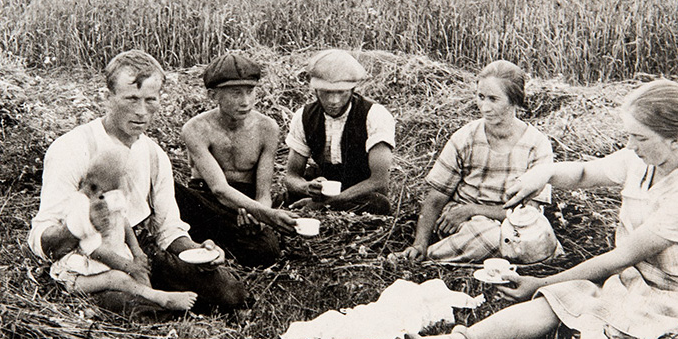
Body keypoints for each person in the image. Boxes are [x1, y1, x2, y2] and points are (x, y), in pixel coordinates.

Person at [405, 79, 678, 339]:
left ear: (675, 140)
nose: (630, 146)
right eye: (630, 136)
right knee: (560, 298)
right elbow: (584, 173)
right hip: (636, 279)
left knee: (597, 319)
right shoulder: (645, 160)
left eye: (640, 138)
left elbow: (620, 257)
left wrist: (540, 282)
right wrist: (544, 173)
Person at [28, 50, 248, 313]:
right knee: (134, 306)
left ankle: (160, 301)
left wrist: (198, 251)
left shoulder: (154, 154)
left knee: (231, 293)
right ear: (107, 98)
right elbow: (42, 239)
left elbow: (167, 229)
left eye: (150, 100)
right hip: (88, 258)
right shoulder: (72, 148)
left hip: (139, 252)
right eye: (131, 99)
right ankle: (152, 306)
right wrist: (81, 225)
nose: (142, 112)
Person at [396, 60, 554, 264]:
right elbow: (436, 196)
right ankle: (423, 257)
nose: (484, 107)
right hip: (463, 220)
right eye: (481, 97)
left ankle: (437, 256)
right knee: (494, 239)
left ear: (514, 101)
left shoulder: (536, 144)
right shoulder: (466, 138)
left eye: (493, 99)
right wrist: (420, 242)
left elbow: (531, 210)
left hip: (511, 221)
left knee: (536, 243)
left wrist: (474, 209)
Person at [176, 52, 298, 267]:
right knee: (173, 191)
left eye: (250, 92)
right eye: (235, 93)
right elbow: (218, 189)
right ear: (213, 96)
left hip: (245, 206)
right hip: (205, 202)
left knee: (267, 252)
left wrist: (259, 218)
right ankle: (205, 243)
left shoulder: (267, 128)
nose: (245, 102)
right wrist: (269, 215)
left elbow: (263, 193)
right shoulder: (196, 129)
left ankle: (217, 245)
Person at [48, 147, 197, 312]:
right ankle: (160, 298)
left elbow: (124, 222)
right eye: (100, 190)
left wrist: (137, 252)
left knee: (141, 273)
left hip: (116, 258)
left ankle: (152, 300)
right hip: (83, 273)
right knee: (117, 278)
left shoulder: (109, 193)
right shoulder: (81, 206)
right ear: (89, 183)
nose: (107, 196)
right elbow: (97, 251)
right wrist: (128, 266)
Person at [283, 49, 395, 214]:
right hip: (324, 185)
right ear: (315, 90)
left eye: (341, 92)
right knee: (284, 199)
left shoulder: (375, 115)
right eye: (327, 93)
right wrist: (306, 188)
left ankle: (323, 211)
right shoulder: (304, 116)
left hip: (360, 190)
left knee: (378, 204)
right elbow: (291, 176)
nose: (334, 101)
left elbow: (379, 180)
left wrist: (326, 204)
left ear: (352, 89)